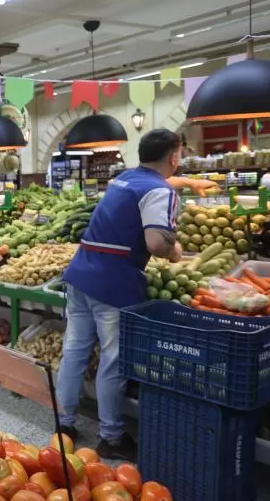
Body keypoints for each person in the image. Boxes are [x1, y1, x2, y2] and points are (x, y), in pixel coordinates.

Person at [57, 128, 183, 460]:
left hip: (80, 273)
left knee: (74, 351)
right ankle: (111, 437)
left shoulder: (123, 179)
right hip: (113, 284)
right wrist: (173, 249)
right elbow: (157, 242)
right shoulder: (160, 190)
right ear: (173, 156)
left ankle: (64, 423)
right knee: (113, 361)